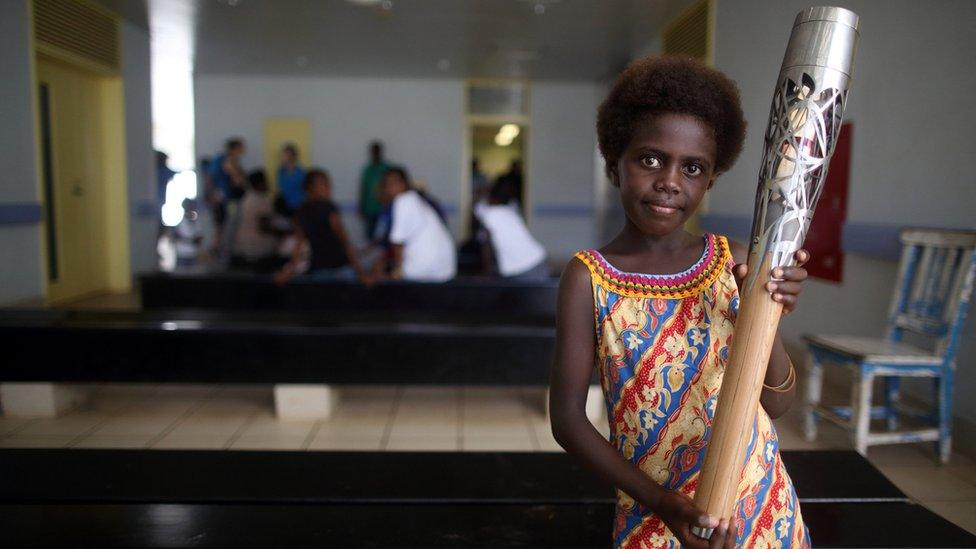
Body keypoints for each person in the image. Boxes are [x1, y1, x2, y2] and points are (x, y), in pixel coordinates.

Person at [548, 56, 811, 549]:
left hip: (759, 507)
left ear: (709, 180)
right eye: (650, 159)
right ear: (614, 163)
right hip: (655, 512)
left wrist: (766, 313)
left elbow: (776, 402)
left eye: (692, 167)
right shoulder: (589, 279)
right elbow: (567, 420)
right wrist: (663, 504)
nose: (670, 180)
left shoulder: (731, 264)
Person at [366, 167, 456, 283]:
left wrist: (395, 273)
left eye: (393, 183)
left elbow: (397, 244)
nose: (389, 187)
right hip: (444, 270)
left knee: (378, 279)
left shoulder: (403, 201)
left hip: (425, 270)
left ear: (404, 184)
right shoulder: (414, 200)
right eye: (387, 184)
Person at [275, 169, 362, 283]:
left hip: (332, 268)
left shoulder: (306, 211)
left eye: (328, 184)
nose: (328, 189)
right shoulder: (321, 210)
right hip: (327, 269)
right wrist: (289, 271)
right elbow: (344, 241)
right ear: (309, 188)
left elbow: (344, 241)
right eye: (323, 184)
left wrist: (360, 271)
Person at [474, 182, 548, 280]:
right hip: (539, 260)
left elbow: (486, 247)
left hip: (522, 269)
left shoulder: (489, 214)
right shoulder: (510, 211)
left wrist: (485, 274)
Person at [205, 138, 247, 254]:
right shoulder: (224, 161)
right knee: (224, 225)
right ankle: (220, 250)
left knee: (227, 224)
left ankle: (222, 249)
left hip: (229, 198)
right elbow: (211, 177)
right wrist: (210, 194)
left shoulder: (233, 161)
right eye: (240, 148)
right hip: (224, 198)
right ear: (234, 149)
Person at [231, 170, 279, 271]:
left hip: (242, 248)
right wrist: (284, 233)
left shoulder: (245, 199)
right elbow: (265, 227)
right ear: (261, 184)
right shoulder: (261, 201)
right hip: (257, 251)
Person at [358, 140, 390, 239]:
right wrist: (361, 206)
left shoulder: (387, 168)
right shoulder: (368, 169)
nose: (375, 154)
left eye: (377, 151)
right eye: (373, 152)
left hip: (384, 209)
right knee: (370, 236)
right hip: (369, 209)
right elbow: (363, 188)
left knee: (384, 236)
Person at [276, 143, 306, 216]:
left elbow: (305, 190)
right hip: (284, 206)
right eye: (283, 155)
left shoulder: (301, 172)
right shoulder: (281, 171)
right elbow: (281, 188)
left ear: (293, 156)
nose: (283, 157)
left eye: (286, 155)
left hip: (298, 206)